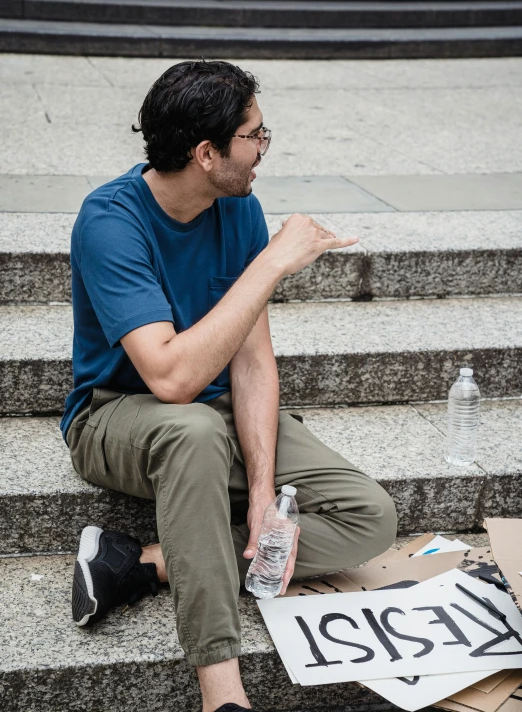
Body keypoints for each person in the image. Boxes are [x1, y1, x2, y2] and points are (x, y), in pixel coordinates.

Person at [62, 59, 397, 712]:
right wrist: (272, 260)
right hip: (115, 415)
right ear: (208, 154)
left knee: (369, 515)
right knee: (188, 428)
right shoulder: (110, 222)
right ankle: (224, 694)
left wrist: (266, 490)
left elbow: (251, 361)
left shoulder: (236, 207)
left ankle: (150, 560)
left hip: (212, 414)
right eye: (255, 136)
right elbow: (171, 376)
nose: (263, 150)